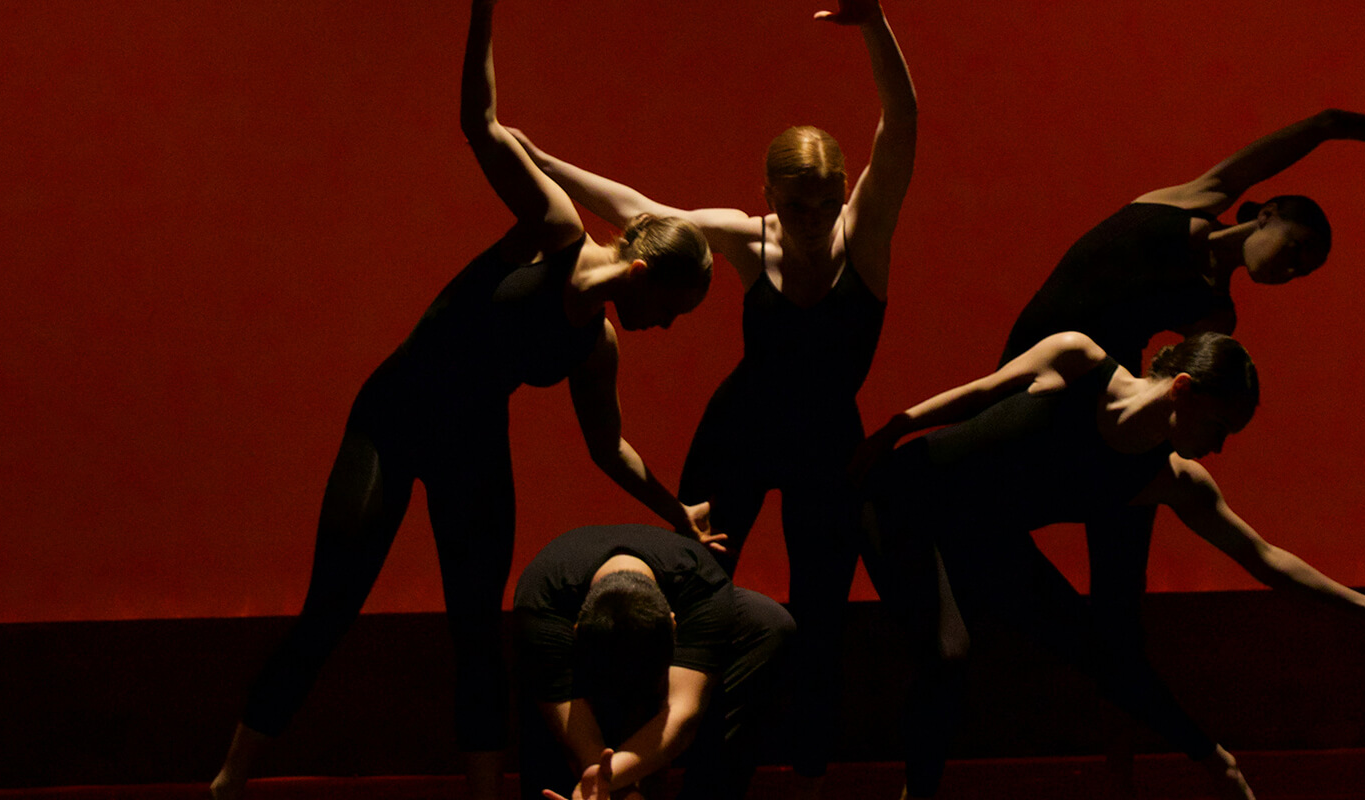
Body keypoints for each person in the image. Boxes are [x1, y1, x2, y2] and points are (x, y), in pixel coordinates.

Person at [209, 3, 715, 798]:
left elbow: (606, 447)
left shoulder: (596, 345)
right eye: (674, 311)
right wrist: (483, 9)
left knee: (477, 631)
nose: (667, 328)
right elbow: (479, 123)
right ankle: (228, 782)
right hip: (393, 418)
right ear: (646, 275)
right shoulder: (552, 230)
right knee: (331, 607)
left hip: (471, 443)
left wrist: (676, 510)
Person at [512, 0, 915, 788]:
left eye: (825, 203)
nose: (811, 220)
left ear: (843, 193)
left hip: (828, 443)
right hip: (741, 429)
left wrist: (874, 23)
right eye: (795, 205)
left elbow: (900, 124)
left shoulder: (865, 234)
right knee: (694, 579)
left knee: (820, 607)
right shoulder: (747, 236)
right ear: (768, 193)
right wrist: (543, 162)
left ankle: (805, 767)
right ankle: (666, 750)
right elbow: (641, 213)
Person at [997, 108, 1365, 786]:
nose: (1293, 268)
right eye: (1298, 248)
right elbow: (1324, 124)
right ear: (1266, 212)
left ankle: (1121, 776)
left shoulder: (1215, 316)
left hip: (1095, 408)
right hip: (1028, 379)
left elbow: (1192, 394)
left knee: (1120, 614)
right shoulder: (1196, 198)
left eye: (1304, 271)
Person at [852, 331, 1365, 800]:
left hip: (981, 536)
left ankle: (1217, 762)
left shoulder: (1171, 480)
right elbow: (980, 392)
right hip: (900, 499)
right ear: (1183, 389)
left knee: (1099, 651)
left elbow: (1264, 557)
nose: (1219, 446)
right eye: (1219, 426)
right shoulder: (1077, 360)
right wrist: (888, 433)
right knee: (947, 655)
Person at [514, 524, 793, 800]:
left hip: (680, 625)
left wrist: (607, 780)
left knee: (767, 622)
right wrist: (601, 783)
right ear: (576, 631)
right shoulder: (541, 603)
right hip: (575, 659)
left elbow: (682, 717)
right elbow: (584, 746)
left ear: (674, 624)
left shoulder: (701, 584)